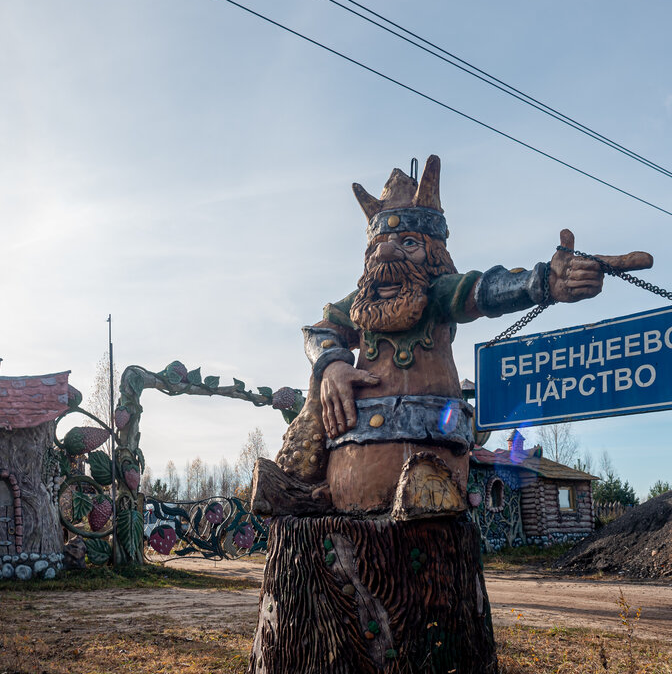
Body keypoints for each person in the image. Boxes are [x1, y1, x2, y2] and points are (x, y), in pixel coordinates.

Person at [270, 155, 652, 516]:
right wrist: (332, 365)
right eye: (376, 250)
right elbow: (318, 331)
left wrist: (545, 281)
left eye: (408, 244)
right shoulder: (360, 305)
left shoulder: (435, 293)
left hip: (431, 463)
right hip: (348, 466)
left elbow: (487, 289)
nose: (386, 255)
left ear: (432, 253)